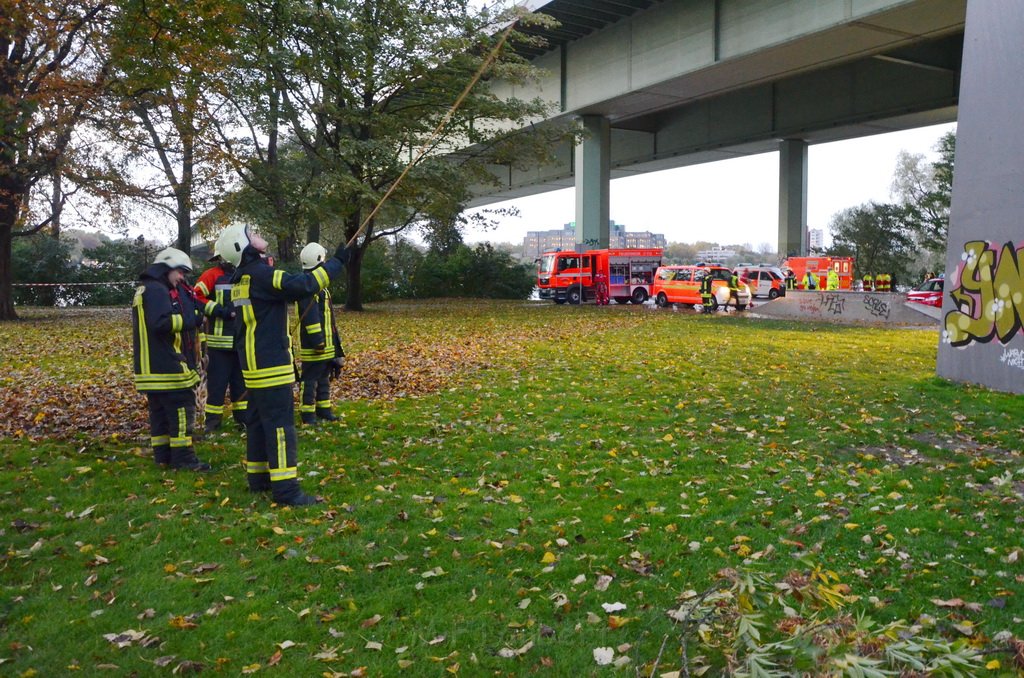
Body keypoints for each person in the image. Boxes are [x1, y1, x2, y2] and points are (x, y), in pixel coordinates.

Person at [220, 224, 349, 506]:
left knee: (256, 423)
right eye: (251, 234)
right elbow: (302, 285)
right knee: (280, 426)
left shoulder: (241, 278)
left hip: (253, 364)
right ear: (244, 247)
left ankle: (259, 479)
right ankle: (286, 490)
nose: (256, 234)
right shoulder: (261, 274)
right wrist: (337, 263)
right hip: (269, 364)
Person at [131, 247, 211, 471]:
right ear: (168, 267)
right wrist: (191, 320)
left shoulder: (146, 289)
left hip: (151, 366)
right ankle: (184, 458)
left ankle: (163, 456)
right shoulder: (157, 290)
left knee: (160, 415)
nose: (181, 278)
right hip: (167, 365)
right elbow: (161, 323)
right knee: (181, 410)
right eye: (180, 272)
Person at [193, 244, 247, 432]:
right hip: (219, 343)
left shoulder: (245, 275)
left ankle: (243, 420)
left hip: (241, 341)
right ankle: (212, 423)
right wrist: (219, 311)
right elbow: (196, 297)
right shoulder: (211, 275)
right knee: (217, 385)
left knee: (241, 383)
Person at [295, 242, 346, 425]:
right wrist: (318, 341)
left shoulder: (319, 285)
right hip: (314, 345)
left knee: (324, 378)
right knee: (309, 380)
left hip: (325, 345)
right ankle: (307, 413)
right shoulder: (309, 288)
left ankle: (323, 409)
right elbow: (309, 317)